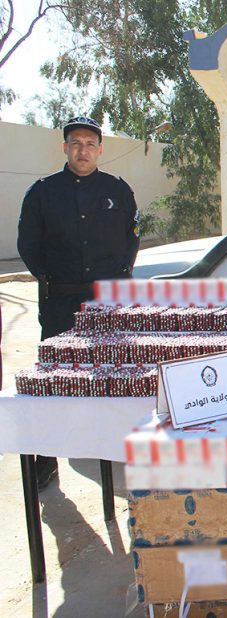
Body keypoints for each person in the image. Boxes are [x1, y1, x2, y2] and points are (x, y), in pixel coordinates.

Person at [17, 116, 140, 487]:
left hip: (106, 301)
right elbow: (28, 244)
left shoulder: (117, 190)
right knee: (55, 379)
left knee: (112, 375)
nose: (82, 150)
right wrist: (51, 278)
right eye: (75, 143)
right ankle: (47, 457)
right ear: (65, 148)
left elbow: (131, 238)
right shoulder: (42, 192)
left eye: (89, 144)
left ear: (100, 150)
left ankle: (117, 448)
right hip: (61, 300)